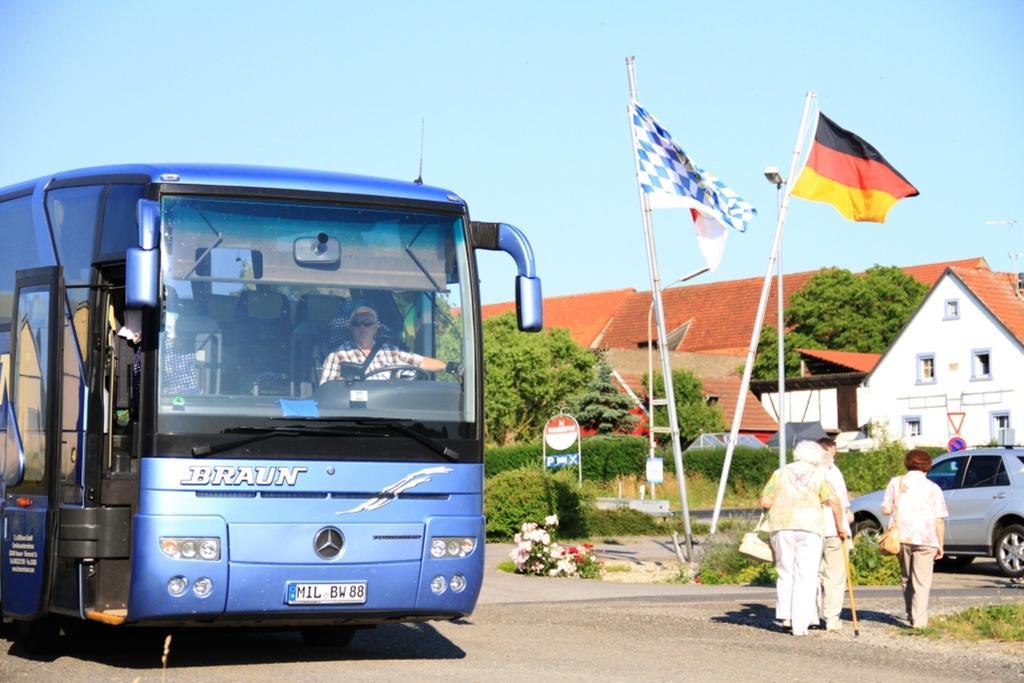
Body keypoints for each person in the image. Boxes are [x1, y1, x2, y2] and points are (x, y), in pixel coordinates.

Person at [760, 440, 846, 636]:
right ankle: (800, 625)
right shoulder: (818, 474)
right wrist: (840, 526)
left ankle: (786, 617)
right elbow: (833, 501)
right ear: (816, 457)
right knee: (806, 575)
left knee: (785, 572)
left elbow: (765, 500)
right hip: (810, 528)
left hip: (781, 526)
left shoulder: (780, 473)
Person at [881, 448, 948, 628]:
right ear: (927, 466)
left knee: (906, 577)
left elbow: (886, 509)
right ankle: (919, 622)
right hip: (927, 539)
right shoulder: (934, 488)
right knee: (921, 581)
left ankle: (911, 613)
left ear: (908, 463)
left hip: (902, 536)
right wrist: (940, 544)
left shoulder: (896, 482)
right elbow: (939, 520)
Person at [318, 302, 457, 383]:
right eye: (356, 323)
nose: (361, 327)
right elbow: (326, 392)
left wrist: (451, 368)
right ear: (350, 328)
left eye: (367, 323)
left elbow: (421, 362)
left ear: (375, 327)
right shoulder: (337, 356)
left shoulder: (391, 352)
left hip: (389, 415)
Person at [815, 436, 853, 632]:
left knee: (814, 574)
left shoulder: (809, 470)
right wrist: (844, 522)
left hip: (812, 528)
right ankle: (832, 618)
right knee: (835, 575)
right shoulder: (830, 470)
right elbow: (838, 502)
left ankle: (812, 614)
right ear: (829, 450)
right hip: (833, 527)